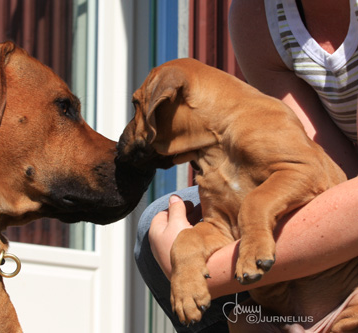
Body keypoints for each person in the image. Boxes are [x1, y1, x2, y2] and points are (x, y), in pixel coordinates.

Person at [134, 0, 358, 332]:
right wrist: (186, 253)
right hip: (295, 297)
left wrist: (214, 273)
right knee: (158, 222)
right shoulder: (261, 15)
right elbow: (326, 169)